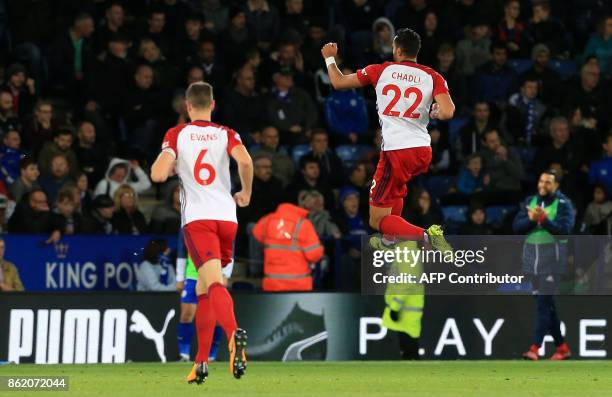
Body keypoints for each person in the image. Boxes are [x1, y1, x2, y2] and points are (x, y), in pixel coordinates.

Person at [151, 82, 252, 383]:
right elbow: (245, 160)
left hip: (199, 220)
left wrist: (169, 163)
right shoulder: (226, 133)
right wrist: (245, 191)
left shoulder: (177, 134)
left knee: (211, 284)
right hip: (227, 218)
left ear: (187, 106)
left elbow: (157, 174)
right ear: (213, 104)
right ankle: (201, 362)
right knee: (204, 289)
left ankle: (234, 337)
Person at [321, 28, 454, 252]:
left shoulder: (382, 70)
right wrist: (435, 112)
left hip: (396, 150)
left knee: (375, 220)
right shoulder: (432, 75)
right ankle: (391, 239)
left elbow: (338, 82)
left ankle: (427, 236)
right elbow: (448, 112)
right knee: (395, 190)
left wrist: (329, 58)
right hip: (422, 150)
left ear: (398, 50)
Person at [513, 170, 575, 361]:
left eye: (548, 182)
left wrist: (543, 220)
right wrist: (532, 219)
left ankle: (535, 348)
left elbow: (564, 231)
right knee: (547, 306)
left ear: (556, 186)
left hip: (552, 261)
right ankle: (562, 347)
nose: (543, 185)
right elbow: (517, 227)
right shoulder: (530, 201)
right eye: (541, 181)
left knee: (542, 304)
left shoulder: (564, 204)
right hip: (532, 261)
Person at [252, 201, 324, 291]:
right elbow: (314, 254)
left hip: (272, 284)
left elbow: (256, 233)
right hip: (299, 285)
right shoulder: (304, 224)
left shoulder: (267, 220)